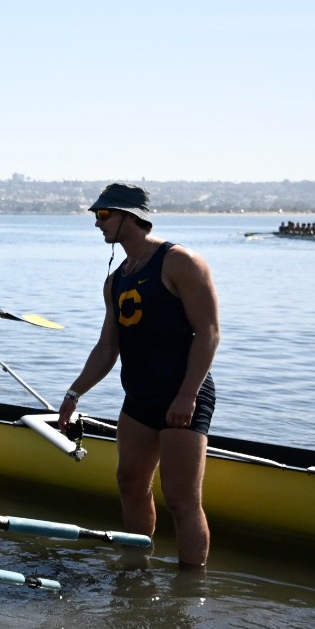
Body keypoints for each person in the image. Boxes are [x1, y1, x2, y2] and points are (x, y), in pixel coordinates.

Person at [55, 184, 221, 569]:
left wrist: (187, 395)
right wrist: (74, 392)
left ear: (130, 217)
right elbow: (107, 348)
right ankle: (136, 571)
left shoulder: (180, 261)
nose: (97, 224)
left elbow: (209, 331)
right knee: (130, 484)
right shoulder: (116, 279)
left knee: (181, 499)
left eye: (103, 216)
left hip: (182, 393)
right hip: (139, 397)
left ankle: (189, 588)